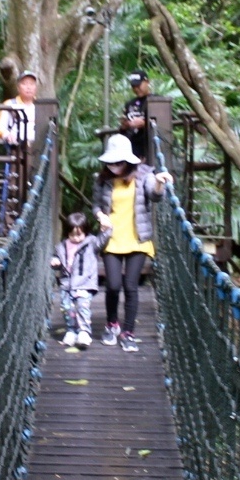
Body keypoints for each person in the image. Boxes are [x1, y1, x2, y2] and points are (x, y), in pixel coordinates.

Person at [93, 133, 172, 352]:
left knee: (130, 287)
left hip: (138, 239)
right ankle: (112, 325)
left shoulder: (145, 174)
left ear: (128, 160)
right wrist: (101, 216)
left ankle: (128, 333)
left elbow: (155, 197)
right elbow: (96, 205)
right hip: (112, 238)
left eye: (118, 163)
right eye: (110, 163)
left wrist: (158, 183)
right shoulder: (103, 179)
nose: (114, 167)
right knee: (112, 286)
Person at [50, 211, 105, 348]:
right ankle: (71, 331)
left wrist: (107, 229)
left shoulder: (91, 243)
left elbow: (102, 240)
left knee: (82, 306)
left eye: (79, 234)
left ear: (85, 232)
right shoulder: (62, 246)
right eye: (72, 234)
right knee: (66, 308)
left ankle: (84, 331)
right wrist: (55, 262)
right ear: (67, 233)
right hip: (67, 283)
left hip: (84, 283)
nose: (76, 238)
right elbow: (58, 260)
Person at [0, 69, 40, 226]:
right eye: (25, 84)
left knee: (35, 186)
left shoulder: (40, 106)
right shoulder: (10, 105)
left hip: (37, 149)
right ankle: (9, 226)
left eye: (32, 84)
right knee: (14, 187)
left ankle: (31, 224)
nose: (28, 87)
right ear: (19, 86)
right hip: (17, 150)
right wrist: (8, 135)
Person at [118, 71, 156, 161]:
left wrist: (144, 123)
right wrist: (124, 126)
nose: (136, 89)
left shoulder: (157, 100)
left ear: (147, 82)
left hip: (150, 146)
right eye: (133, 86)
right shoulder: (130, 104)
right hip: (132, 147)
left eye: (138, 86)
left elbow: (164, 123)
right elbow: (123, 130)